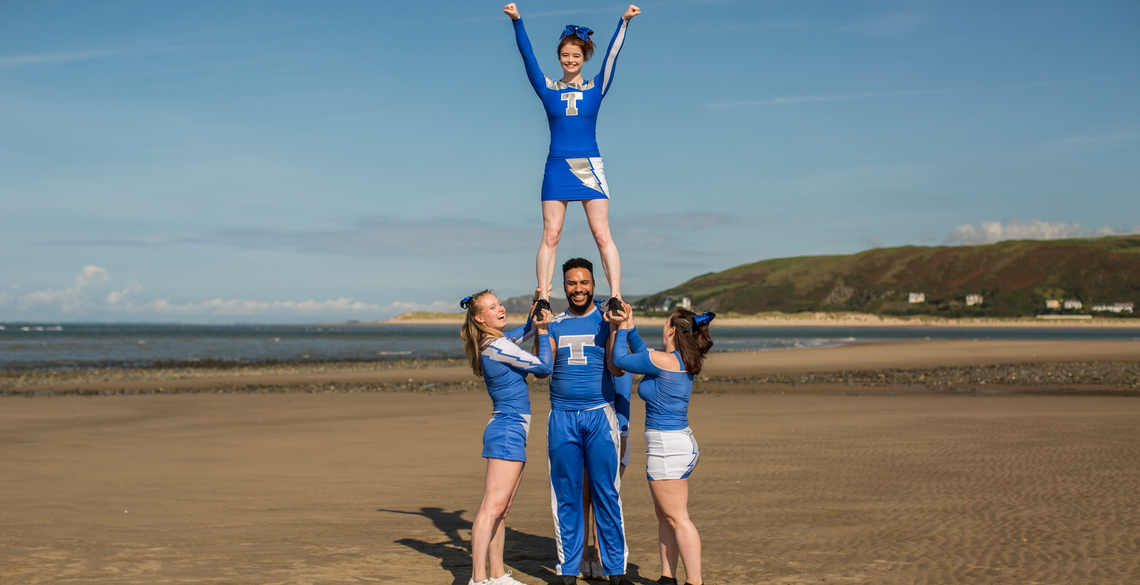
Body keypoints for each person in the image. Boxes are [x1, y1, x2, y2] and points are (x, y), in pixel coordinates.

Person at [502, 3, 641, 319]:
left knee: (602, 233)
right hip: (557, 165)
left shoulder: (596, 87)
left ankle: (616, 295)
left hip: (589, 165)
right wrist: (517, 22)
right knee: (551, 234)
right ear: (559, 57)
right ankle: (544, 297)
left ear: (583, 58)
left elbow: (612, 58)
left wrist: (624, 22)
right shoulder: (548, 88)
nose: (570, 60)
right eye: (565, 55)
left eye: (576, 56)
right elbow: (527, 58)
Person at [611, 303, 715, 585]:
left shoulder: (662, 361)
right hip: (676, 444)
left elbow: (620, 360)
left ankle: (695, 581)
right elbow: (645, 354)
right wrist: (630, 328)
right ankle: (667, 577)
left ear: (671, 329)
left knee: (678, 518)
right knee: (665, 516)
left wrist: (620, 328)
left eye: (665, 322)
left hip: (669, 448)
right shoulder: (677, 359)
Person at [543, 258, 633, 585]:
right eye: (571, 283)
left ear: (593, 284)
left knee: (606, 493)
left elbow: (617, 367)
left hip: (600, 415)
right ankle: (568, 568)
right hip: (562, 417)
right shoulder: (555, 322)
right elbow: (544, 367)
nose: (578, 289)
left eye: (583, 282)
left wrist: (617, 328)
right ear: (564, 286)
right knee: (566, 494)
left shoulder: (605, 319)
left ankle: (615, 570)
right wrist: (538, 328)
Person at [460, 290, 554, 585]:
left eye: (499, 303)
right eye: (491, 307)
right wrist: (544, 330)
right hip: (506, 431)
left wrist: (539, 302)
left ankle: (497, 574)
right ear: (479, 318)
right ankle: (478, 578)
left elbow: (524, 331)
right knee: (491, 508)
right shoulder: (496, 345)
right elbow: (543, 367)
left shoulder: (497, 342)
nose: (499, 308)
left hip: (512, 430)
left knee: (502, 508)